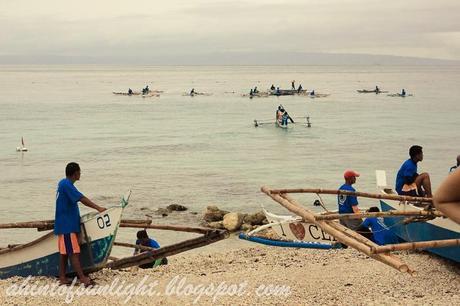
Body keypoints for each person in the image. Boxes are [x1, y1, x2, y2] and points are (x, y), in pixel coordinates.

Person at [54, 162, 106, 286]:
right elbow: (81, 198)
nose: (80, 174)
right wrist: (98, 208)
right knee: (73, 252)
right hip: (67, 225)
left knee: (65, 252)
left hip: (65, 224)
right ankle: (82, 278)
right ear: (75, 172)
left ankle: (62, 277)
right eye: (79, 171)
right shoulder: (66, 184)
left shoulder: (64, 183)